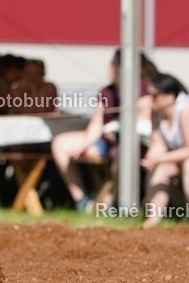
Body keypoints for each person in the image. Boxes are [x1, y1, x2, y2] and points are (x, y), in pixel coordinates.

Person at [50, 49, 156, 212]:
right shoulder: (106, 91)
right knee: (60, 143)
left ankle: (118, 204)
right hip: (107, 142)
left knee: (122, 154)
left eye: (114, 64)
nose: (110, 68)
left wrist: (114, 127)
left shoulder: (144, 88)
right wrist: (84, 145)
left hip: (135, 145)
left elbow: (143, 121)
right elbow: (96, 124)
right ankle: (83, 202)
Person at [142, 73, 189, 228]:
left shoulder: (185, 111)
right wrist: (151, 157)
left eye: (154, 95)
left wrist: (159, 158)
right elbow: (158, 143)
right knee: (160, 171)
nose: (150, 99)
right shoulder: (156, 113)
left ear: (170, 96)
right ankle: (153, 221)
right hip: (178, 158)